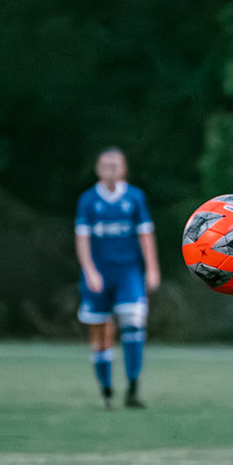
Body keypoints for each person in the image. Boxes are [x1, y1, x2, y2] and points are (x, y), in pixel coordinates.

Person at [74, 148, 160, 408]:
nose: (110, 170)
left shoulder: (134, 197)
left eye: (115, 165)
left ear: (123, 169)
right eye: (105, 165)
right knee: (100, 331)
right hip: (100, 273)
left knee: (134, 320)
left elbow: (145, 235)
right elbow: (82, 239)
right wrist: (90, 271)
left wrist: (152, 268)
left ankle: (133, 387)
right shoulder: (88, 200)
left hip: (128, 272)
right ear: (98, 169)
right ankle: (107, 390)